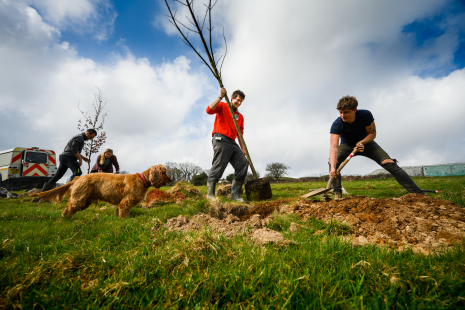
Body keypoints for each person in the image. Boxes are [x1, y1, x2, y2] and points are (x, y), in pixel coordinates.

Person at [329, 95, 424, 199]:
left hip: (367, 143)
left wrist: (362, 142)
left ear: (354, 110)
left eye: (346, 112)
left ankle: (417, 193)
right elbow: (334, 147)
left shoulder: (365, 115)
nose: (343, 115)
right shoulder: (337, 124)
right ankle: (337, 194)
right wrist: (333, 168)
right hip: (347, 145)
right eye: (341, 112)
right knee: (332, 161)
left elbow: (372, 134)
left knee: (389, 163)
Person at [206, 87, 249, 202]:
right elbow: (209, 110)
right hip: (220, 138)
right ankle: (210, 196)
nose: (239, 103)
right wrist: (220, 97)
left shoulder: (240, 117)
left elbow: (240, 134)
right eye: (237, 100)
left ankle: (234, 195)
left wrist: (243, 149)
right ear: (232, 98)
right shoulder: (223, 106)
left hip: (232, 142)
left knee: (243, 163)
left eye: (241, 102)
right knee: (220, 164)